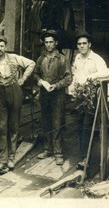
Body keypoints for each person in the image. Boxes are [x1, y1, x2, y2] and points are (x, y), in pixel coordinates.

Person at [0, 35, 35, 174]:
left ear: (5, 47)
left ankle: (12, 157)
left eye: (2, 46)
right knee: (0, 127)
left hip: (14, 91)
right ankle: (2, 159)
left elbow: (31, 63)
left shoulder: (14, 58)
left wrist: (23, 78)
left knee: (13, 125)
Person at [68, 31, 109, 169]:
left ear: (89, 44)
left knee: (87, 126)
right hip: (80, 96)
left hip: (91, 97)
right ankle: (82, 156)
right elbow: (75, 74)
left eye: (84, 43)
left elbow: (105, 73)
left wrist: (90, 77)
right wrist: (72, 88)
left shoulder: (96, 59)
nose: (81, 46)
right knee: (79, 125)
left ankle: (87, 158)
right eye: (79, 44)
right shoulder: (78, 58)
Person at [34, 30, 72, 165]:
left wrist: (56, 86)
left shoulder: (62, 59)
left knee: (57, 122)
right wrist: (40, 81)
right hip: (44, 94)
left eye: (51, 42)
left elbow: (68, 79)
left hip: (58, 95)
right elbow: (36, 74)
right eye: (46, 42)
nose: (48, 45)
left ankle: (58, 152)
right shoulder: (41, 58)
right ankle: (47, 149)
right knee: (45, 121)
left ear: (56, 43)